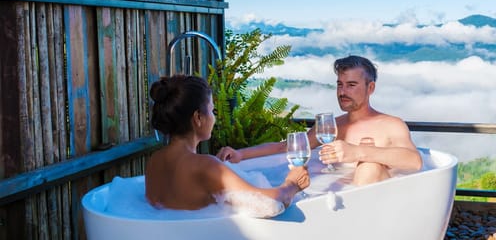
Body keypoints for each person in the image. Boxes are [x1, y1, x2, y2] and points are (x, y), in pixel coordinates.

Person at [217, 55, 423, 186]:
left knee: (369, 167)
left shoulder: (391, 125)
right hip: (338, 200)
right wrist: (240, 154)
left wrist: (358, 152)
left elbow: (414, 161)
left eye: (351, 85)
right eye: (340, 84)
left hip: (376, 208)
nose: (342, 91)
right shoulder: (332, 127)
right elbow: (287, 148)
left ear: (370, 88)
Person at [144, 75, 309, 211]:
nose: (214, 117)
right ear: (198, 118)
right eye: (212, 110)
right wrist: (292, 184)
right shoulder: (205, 166)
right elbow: (270, 203)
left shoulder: (154, 162)